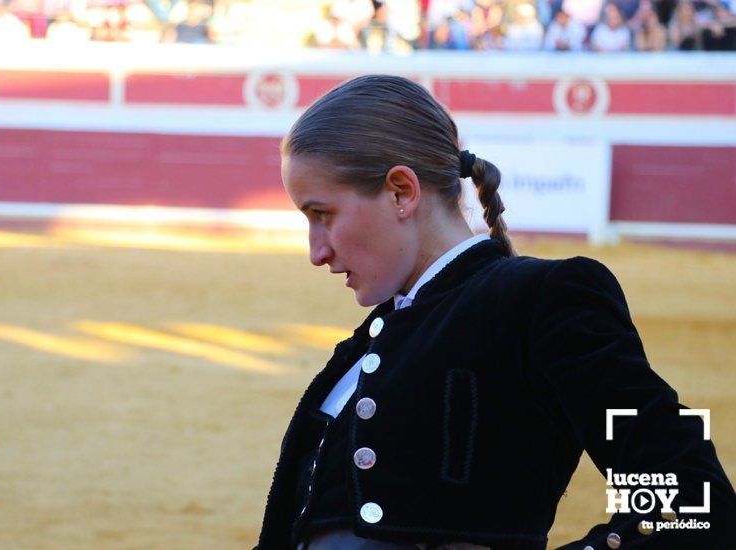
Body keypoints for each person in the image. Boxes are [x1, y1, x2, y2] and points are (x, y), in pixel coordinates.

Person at [255, 75, 736, 549]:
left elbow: (693, 507)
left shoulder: (545, 299)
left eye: (323, 214)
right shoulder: (373, 342)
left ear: (402, 191)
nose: (316, 251)